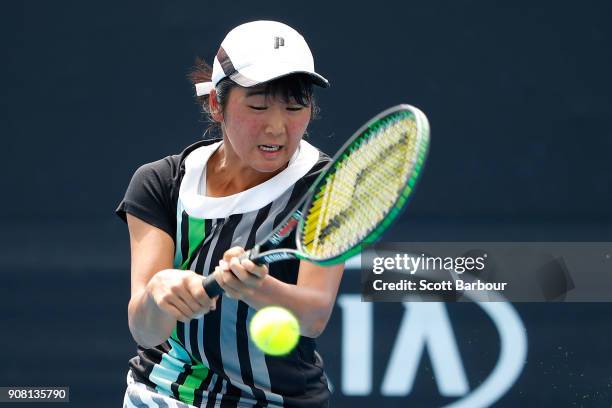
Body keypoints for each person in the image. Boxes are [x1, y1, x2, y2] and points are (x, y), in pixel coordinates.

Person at [115, 20, 344, 408]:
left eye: (294, 106)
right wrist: (157, 295)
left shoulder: (327, 186)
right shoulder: (160, 182)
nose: (277, 127)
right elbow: (145, 330)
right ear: (216, 105)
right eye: (257, 106)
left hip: (278, 401)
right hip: (163, 395)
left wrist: (253, 286)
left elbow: (313, 315)